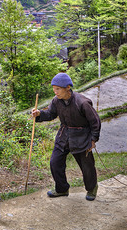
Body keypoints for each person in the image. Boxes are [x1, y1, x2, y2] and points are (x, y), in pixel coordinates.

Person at [31, 73, 101, 201]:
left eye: (58, 89)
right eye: (54, 88)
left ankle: (91, 188)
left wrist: (93, 140)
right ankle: (62, 189)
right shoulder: (56, 101)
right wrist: (40, 114)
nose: (55, 91)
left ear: (67, 87)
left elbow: (95, 122)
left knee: (87, 166)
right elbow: (51, 114)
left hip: (81, 137)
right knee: (55, 162)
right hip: (64, 135)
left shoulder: (82, 102)